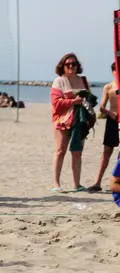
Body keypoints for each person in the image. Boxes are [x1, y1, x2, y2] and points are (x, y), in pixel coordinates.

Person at [50, 53, 92, 192]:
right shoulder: (59, 81)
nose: (71, 67)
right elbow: (56, 103)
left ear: (77, 66)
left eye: (74, 64)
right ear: (63, 66)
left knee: (77, 152)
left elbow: (90, 100)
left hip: (80, 120)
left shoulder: (83, 81)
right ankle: (56, 184)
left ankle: (77, 184)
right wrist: (74, 101)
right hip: (62, 120)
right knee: (60, 151)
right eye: (68, 64)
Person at [88, 63, 119, 192]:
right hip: (112, 121)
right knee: (107, 152)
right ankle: (97, 182)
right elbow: (101, 106)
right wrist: (111, 114)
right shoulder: (109, 87)